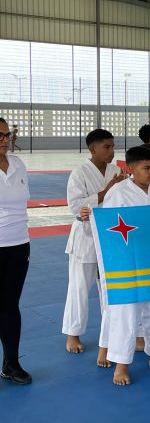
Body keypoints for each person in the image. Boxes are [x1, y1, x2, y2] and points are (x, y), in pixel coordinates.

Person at [100, 146, 150, 386]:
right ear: (131, 168)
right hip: (128, 262)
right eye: (146, 168)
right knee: (127, 312)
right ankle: (121, 364)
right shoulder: (118, 193)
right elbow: (109, 229)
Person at [62, 129, 127, 363]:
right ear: (93, 149)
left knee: (109, 290)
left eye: (113, 146)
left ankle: (109, 337)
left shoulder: (116, 171)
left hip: (111, 236)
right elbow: (75, 206)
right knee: (79, 287)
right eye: (107, 147)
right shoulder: (79, 173)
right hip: (86, 238)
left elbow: (121, 201)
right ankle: (73, 334)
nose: (112, 151)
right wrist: (107, 190)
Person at [0, 117, 32, 384]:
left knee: (10, 305)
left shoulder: (18, 164)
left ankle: (11, 363)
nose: (5, 139)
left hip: (19, 244)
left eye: (7, 134)